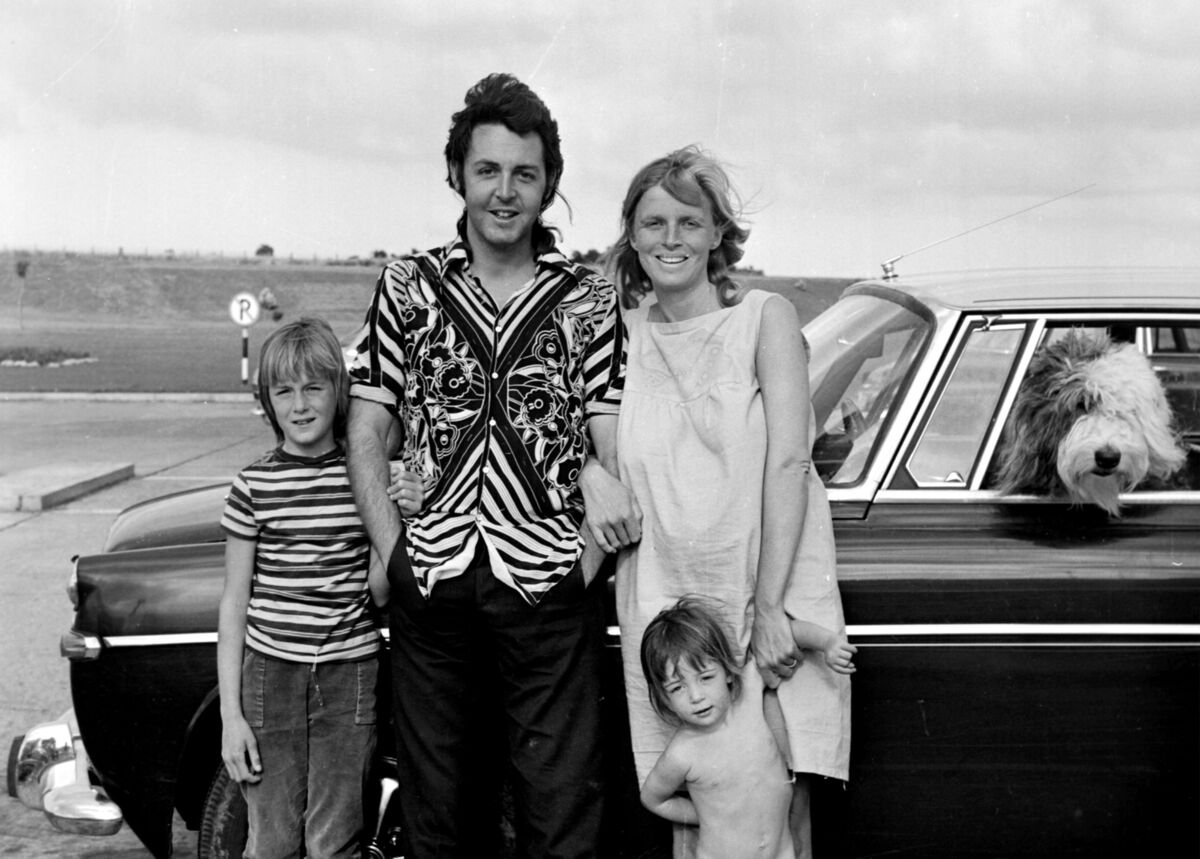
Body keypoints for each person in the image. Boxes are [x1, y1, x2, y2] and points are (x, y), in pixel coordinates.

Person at [345, 72, 630, 858]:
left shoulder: (586, 299)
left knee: (560, 813)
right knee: (441, 819)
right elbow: (368, 427)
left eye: (525, 173)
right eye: (488, 170)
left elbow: (614, 441)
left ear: (550, 185)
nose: (506, 192)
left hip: (547, 582)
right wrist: (392, 551)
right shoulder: (410, 284)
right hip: (430, 579)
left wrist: (584, 563)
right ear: (457, 175)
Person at [601, 146, 854, 858]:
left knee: (777, 819)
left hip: (767, 593)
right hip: (670, 609)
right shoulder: (627, 331)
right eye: (653, 223)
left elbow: (789, 457)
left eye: (690, 221)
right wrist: (594, 471)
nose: (671, 238)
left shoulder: (766, 318)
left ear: (718, 234)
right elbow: (590, 437)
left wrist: (770, 610)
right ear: (632, 236)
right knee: (697, 823)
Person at [217, 317, 387, 858]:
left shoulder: (366, 477)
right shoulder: (254, 485)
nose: (300, 404)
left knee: (333, 841)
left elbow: (381, 592)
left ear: (338, 391)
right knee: (271, 842)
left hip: (350, 672)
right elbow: (234, 604)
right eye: (284, 391)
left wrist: (399, 519)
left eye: (314, 387)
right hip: (270, 676)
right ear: (267, 401)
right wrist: (230, 718)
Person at [638, 597, 794, 859]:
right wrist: (703, 815)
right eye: (677, 688)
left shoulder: (750, 695)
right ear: (663, 698)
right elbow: (652, 798)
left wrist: (828, 643)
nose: (696, 696)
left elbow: (784, 634)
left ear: (729, 671)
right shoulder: (682, 752)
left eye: (706, 678)